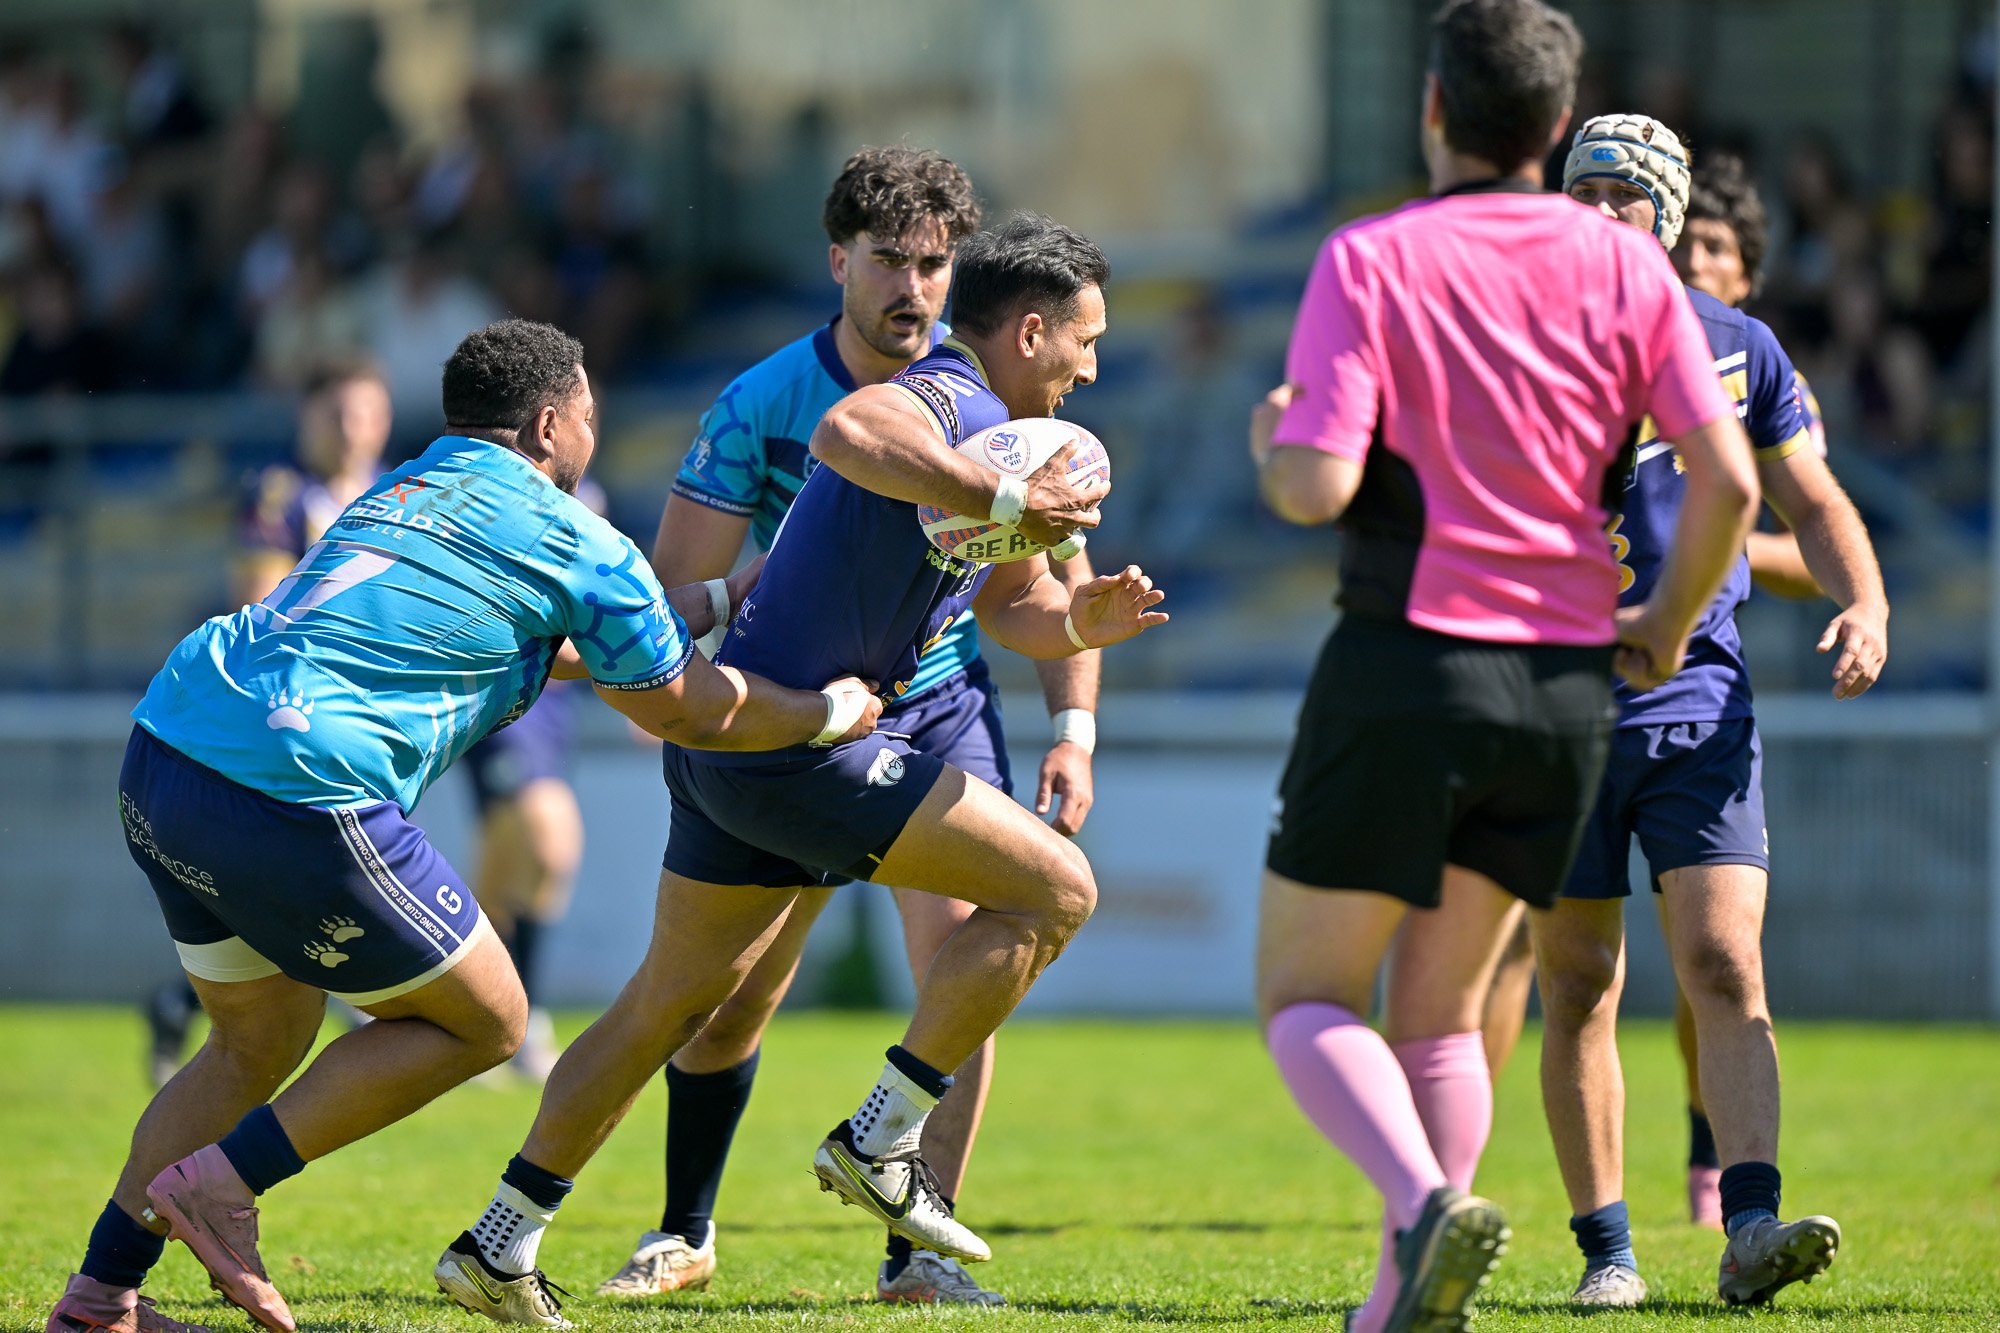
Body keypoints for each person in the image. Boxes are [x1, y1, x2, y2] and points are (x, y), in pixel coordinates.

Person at [45, 318, 879, 1333]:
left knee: (251, 1045)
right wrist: (830, 712)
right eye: (586, 413)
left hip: (169, 747)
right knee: (488, 1018)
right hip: (299, 783)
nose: (592, 432)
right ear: (547, 422)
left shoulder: (405, 485)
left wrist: (707, 598)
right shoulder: (579, 537)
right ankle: (225, 1183)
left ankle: (100, 1297)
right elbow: (686, 708)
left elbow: (535, 639)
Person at [435, 213, 1167, 1328]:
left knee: (662, 1006)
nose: (1090, 365)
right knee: (1058, 888)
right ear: (1029, 332)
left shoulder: (1003, 437)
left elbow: (1017, 606)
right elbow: (843, 428)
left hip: (741, 741)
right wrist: (1010, 504)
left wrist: (1083, 627)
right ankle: (879, 1136)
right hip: (805, 748)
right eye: (1083, 340)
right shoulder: (949, 397)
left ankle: (501, 1238)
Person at [1248, 5, 1762, 1332]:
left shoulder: (1371, 257)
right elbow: (1730, 483)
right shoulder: (1636, 276)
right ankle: (1403, 1302)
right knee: (1438, 1013)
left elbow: (1315, 486)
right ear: (1552, 124)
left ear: (1434, 111)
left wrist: (1273, 442)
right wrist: (1662, 623)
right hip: (1566, 692)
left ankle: (1425, 1206)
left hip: (1412, 664)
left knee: (1307, 996)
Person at [595, 145, 1097, 1309]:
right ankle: (685, 1229)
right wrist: (691, 705)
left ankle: (917, 1252)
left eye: (933, 264)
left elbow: (1047, 588)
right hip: (797, 715)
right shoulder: (766, 403)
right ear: (837, 261)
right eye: (887, 261)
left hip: (939, 701)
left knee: (969, 953)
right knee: (734, 992)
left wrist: (1073, 720)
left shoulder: (1005, 410)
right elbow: (675, 590)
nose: (911, 288)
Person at [1520, 115, 1886, 1310]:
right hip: (1555, 706)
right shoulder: (1513, 342)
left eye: (1624, 193)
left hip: (1696, 699)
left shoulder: (1739, 347)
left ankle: (1749, 1224)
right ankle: (1606, 1251)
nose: (1598, 209)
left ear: (1669, 221)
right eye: (1581, 189)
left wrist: (1864, 602)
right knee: (1576, 981)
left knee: (1723, 961)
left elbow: (1812, 498)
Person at [145, 356, 395, 1088]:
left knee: (288, 874)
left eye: (368, 414)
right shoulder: (280, 492)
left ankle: (177, 1002)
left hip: (356, 710)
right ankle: (356, 985)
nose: (355, 430)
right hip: (284, 713)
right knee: (294, 863)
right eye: (339, 413)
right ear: (307, 416)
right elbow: (259, 601)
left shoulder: (394, 492)